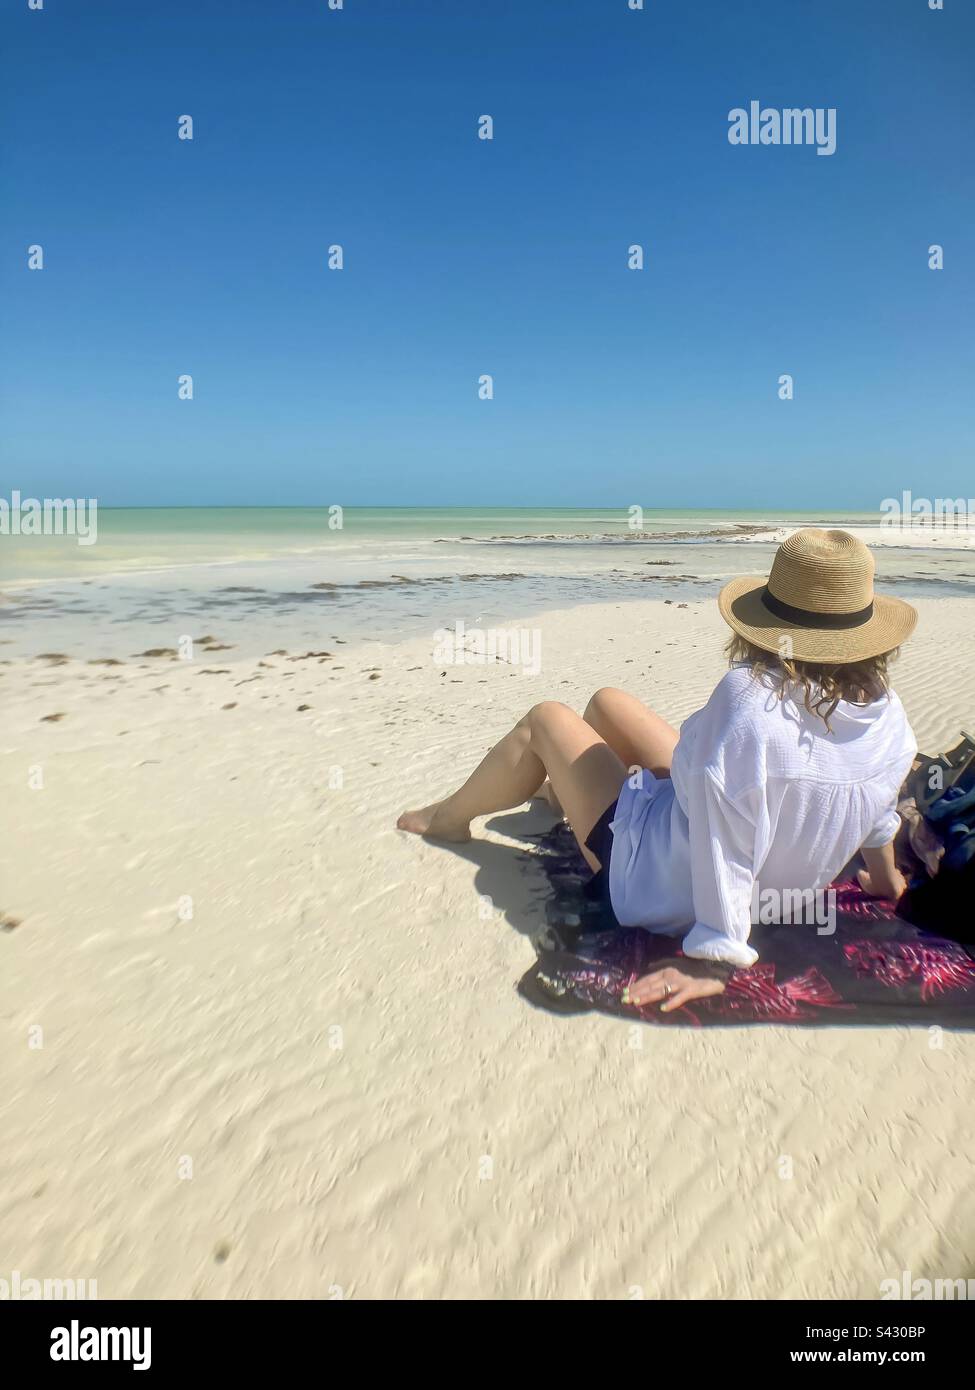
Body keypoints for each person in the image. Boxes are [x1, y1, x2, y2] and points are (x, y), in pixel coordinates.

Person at [398, 529, 918, 1014]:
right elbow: (877, 803)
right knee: (607, 703)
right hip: (774, 879)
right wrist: (885, 878)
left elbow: (726, 837)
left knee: (546, 720)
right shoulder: (887, 713)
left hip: (655, 882)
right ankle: (563, 795)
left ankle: (448, 817)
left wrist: (714, 956)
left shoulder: (751, 704)